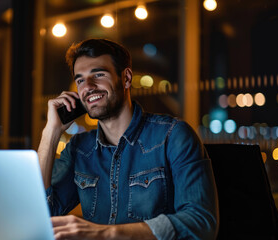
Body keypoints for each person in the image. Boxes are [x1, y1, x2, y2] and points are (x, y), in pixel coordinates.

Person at [38, 38, 219, 240]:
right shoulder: (79, 148)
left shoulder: (173, 135)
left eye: (98, 74)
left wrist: (106, 234)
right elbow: (40, 216)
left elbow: (200, 222)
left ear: (126, 78)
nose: (87, 87)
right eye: (80, 80)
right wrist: (50, 133)